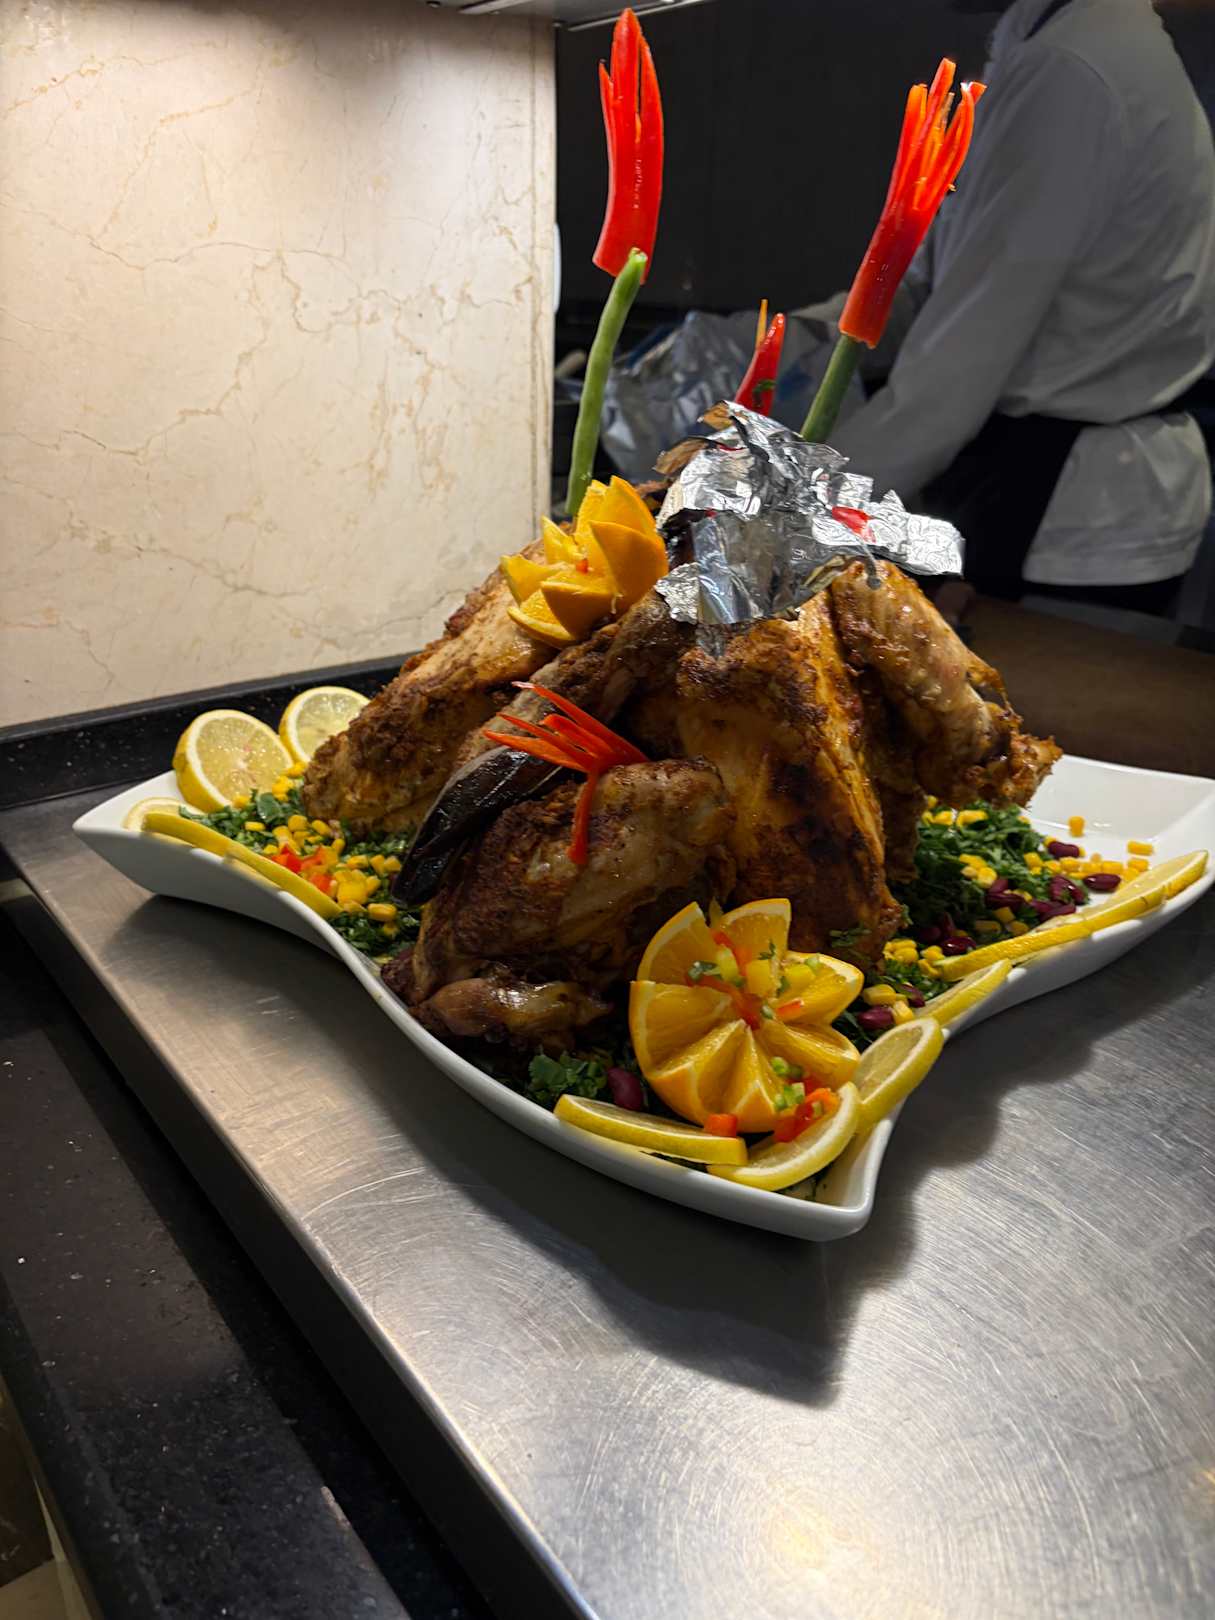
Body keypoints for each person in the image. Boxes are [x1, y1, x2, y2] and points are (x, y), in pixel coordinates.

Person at [798, 0, 1215, 610]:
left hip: (1070, 516)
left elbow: (953, 376)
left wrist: (799, 515)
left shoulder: (1072, 68)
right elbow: (934, 287)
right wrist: (792, 345)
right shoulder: (1051, 44)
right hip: (1045, 493)